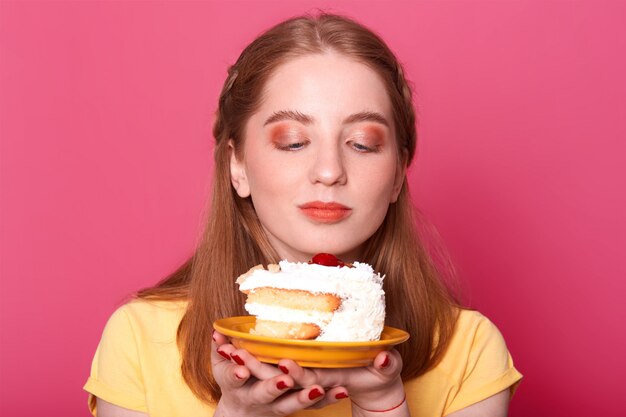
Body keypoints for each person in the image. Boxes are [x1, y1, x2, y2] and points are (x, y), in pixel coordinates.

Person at [84, 12, 522, 417]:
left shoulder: (469, 350)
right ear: (238, 166)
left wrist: (383, 405)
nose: (329, 171)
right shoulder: (140, 338)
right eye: (294, 142)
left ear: (397, 175)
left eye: (363, 143)